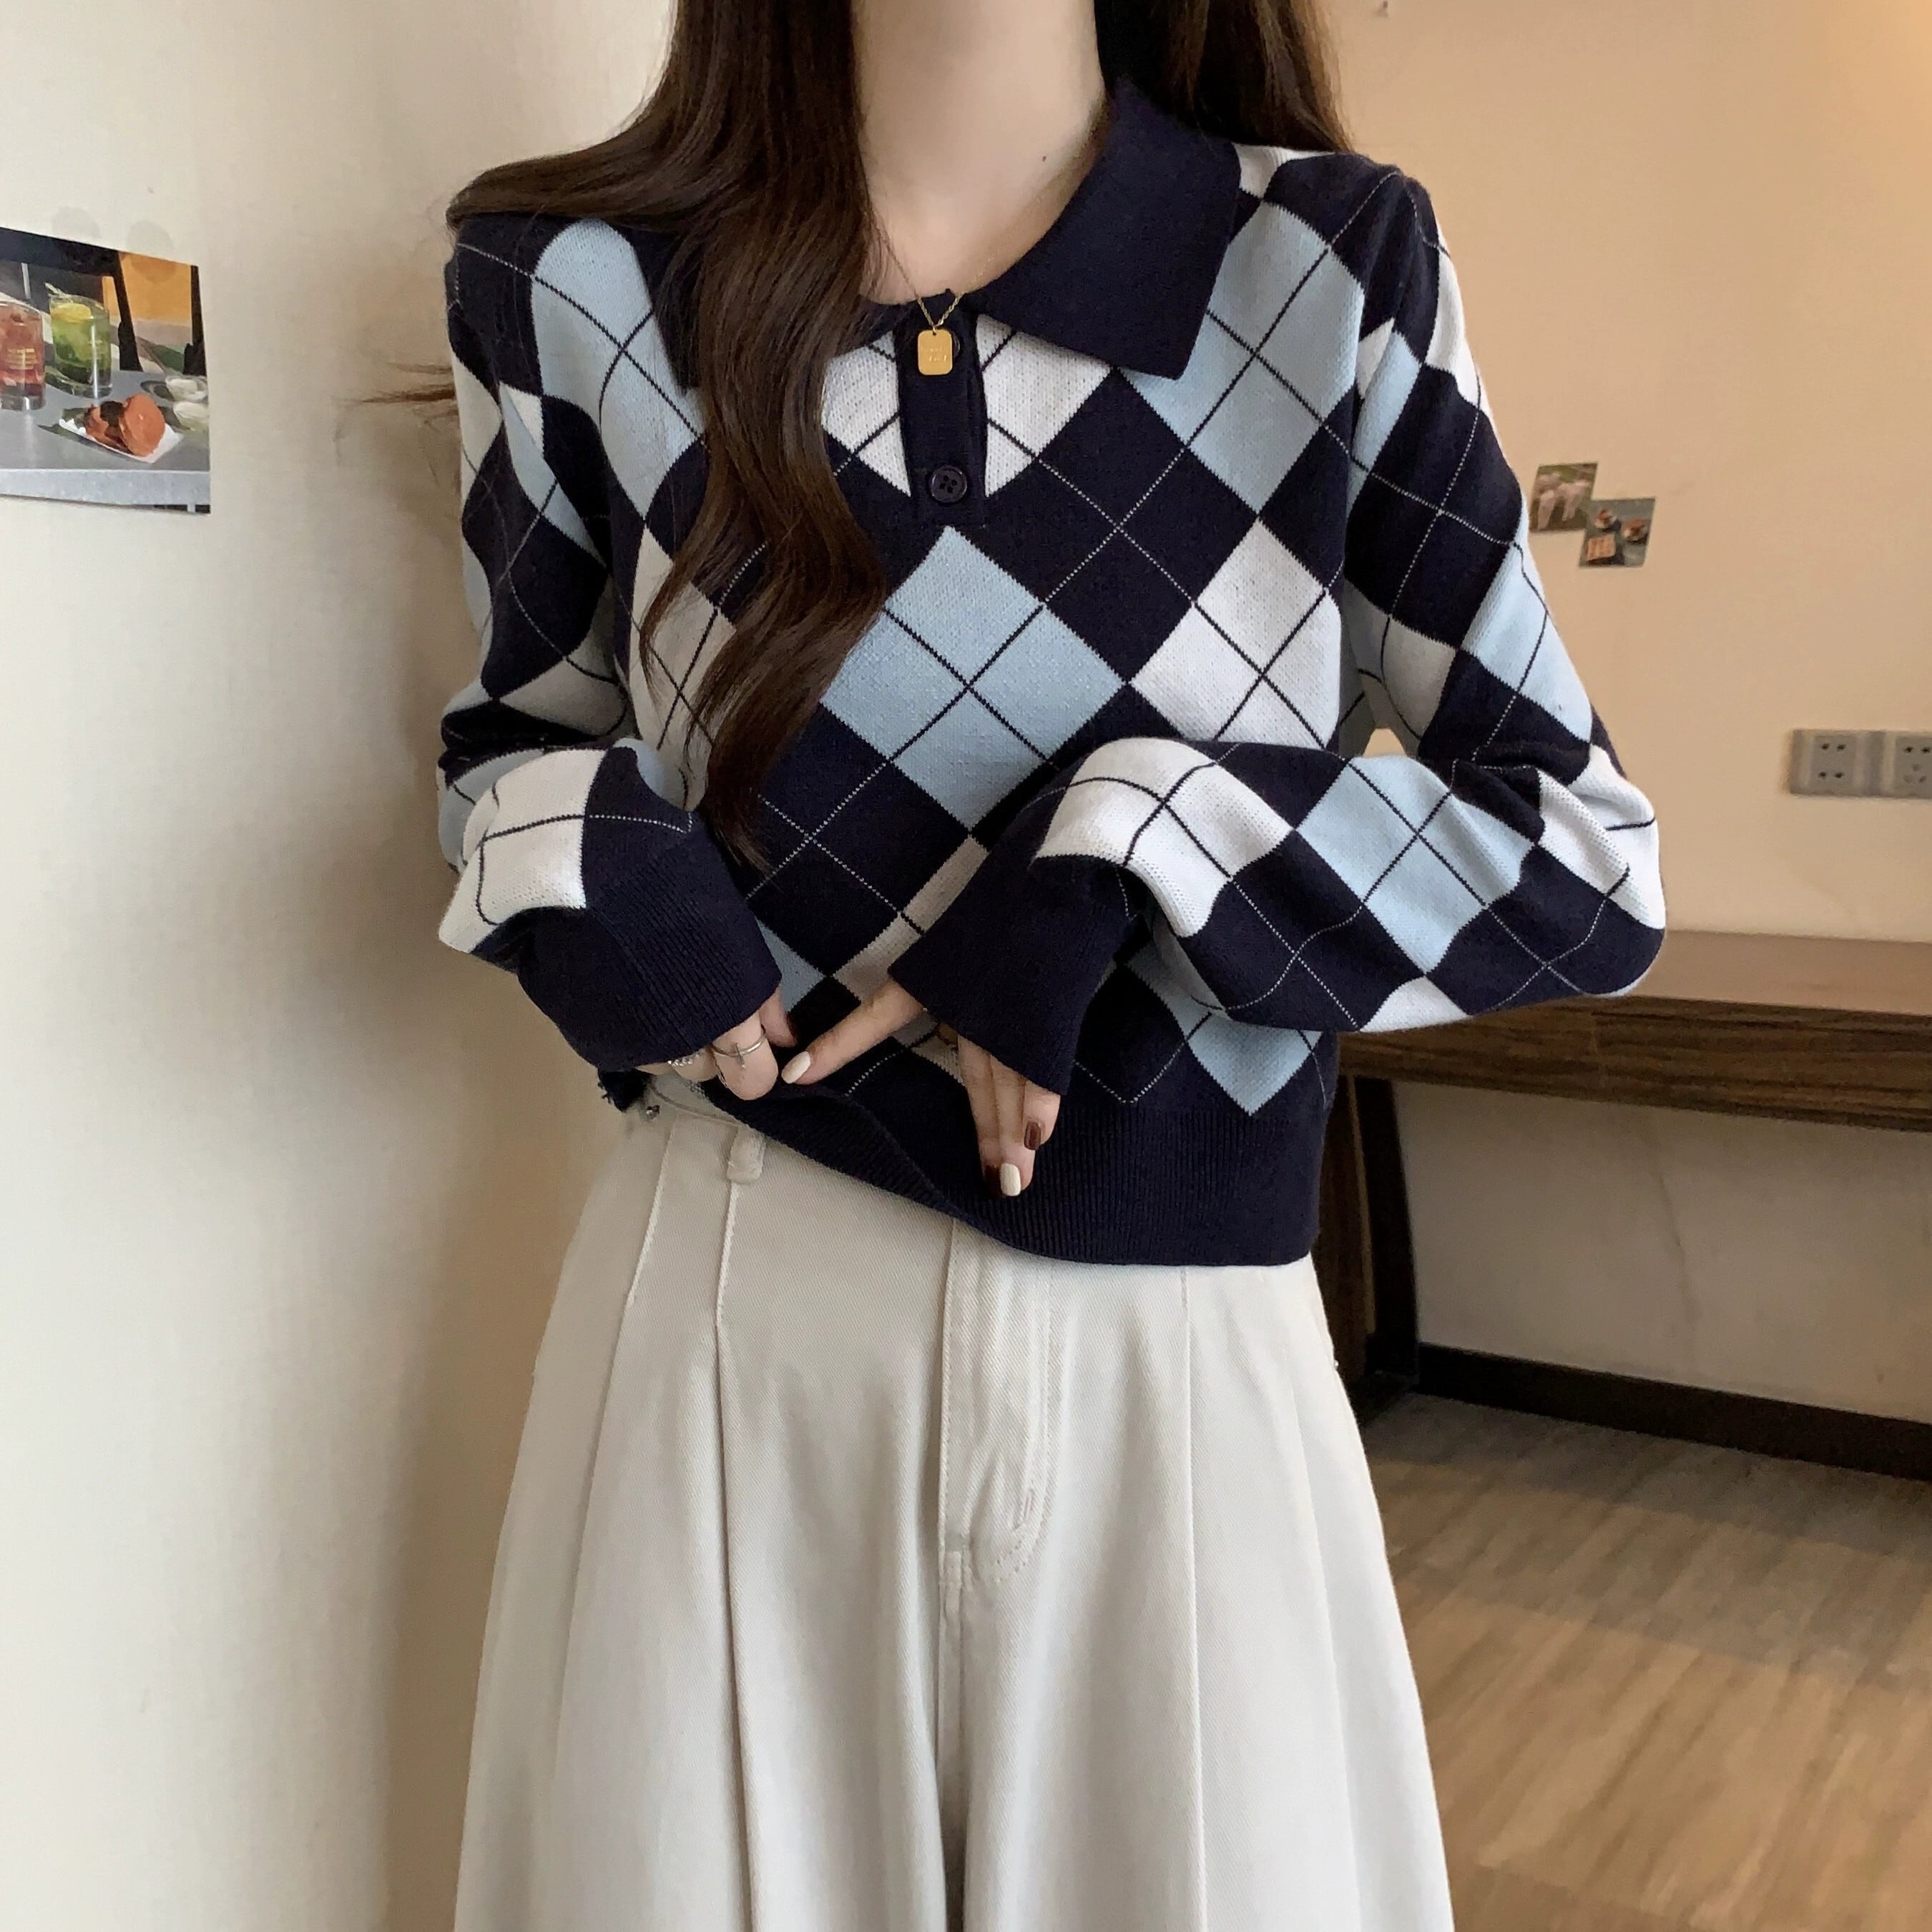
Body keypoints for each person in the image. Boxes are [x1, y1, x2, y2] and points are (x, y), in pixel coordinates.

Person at [428, 1, 1666, 1926]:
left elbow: (1578, 856)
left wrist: (1129, 837)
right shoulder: (566, 281)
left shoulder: (1326, 264)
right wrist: (608, 881)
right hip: (734, 1324)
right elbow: (514, 743)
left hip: (1176, 1354)